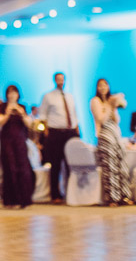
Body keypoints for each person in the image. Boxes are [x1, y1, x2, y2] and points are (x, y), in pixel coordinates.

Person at [90, 78, 132, 206]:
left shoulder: (111, 101)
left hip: (115, 134)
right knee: (110, 166)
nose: (103, 88)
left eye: (105, 85)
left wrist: (114, 107)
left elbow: (116, 120)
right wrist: (109, 105)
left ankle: (124, 195)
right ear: (97, 88)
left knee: (121, 164)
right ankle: (112, 197)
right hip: (104, 135)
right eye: (100, 86)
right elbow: (101, 119)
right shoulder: (95, 101)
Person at [39, 72, 79, 204]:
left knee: (71, 165)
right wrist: (45, 133)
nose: (60, 82)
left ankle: (71, 193)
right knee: (55, 165)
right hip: (55, 133)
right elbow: (43, 116)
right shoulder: (48, 96)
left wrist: (77, 132)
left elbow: (74, 115)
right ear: (55, 80)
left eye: (62, 79)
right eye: (58, 79)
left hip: (70, 133)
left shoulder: (70, 96)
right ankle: (55, 195)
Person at [0, 84, 34, 209]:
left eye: (14, 92)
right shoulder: (2, 107)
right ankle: (11, 200)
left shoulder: (22, 107)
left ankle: (24, 199)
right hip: (7, 141)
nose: (12, 95)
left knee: (23, 168)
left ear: (18, 94)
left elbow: (29, 124)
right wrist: (7, 113)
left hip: (20, 140)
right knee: (9, 168)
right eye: (9, 93)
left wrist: (21, 113)